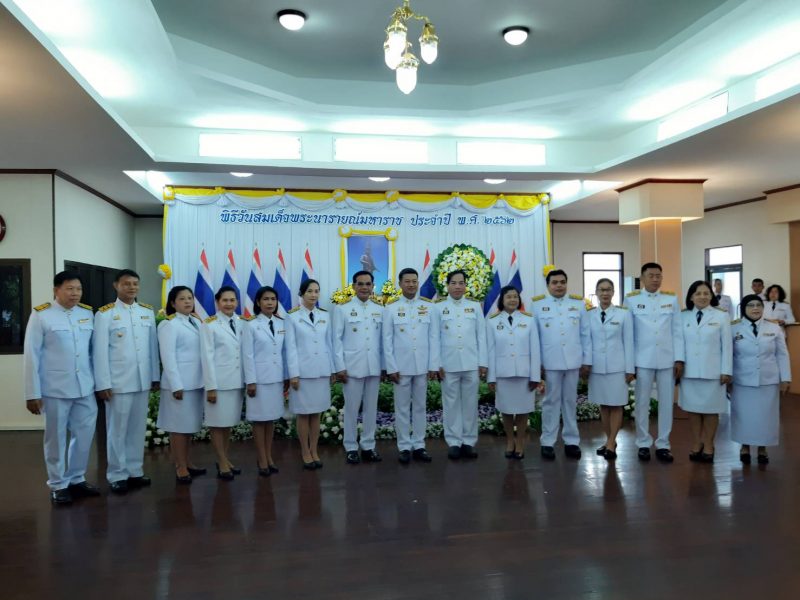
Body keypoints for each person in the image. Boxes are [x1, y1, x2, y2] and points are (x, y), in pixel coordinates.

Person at [23, 271, 100, 505]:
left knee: (84, 436)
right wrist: (32, 393)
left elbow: (92, 353)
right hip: (55, 388)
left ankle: (76, 479)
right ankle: (58, 484)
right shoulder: (42, 315)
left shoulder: (87, 313)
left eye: (78, 289)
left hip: (85, 387)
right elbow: (32, 355)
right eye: (69, 288)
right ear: (56, 290)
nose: (75, 293)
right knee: (55, 438)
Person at [93, 269, 159, 495]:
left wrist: (154, 376)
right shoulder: (105, 314)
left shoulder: (146, 312)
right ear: (116, 286)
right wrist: (103, 383)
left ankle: (134, 471)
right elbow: (99, 352)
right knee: (117, 430)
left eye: (135, 284)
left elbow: (152, 348)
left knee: (137, 429)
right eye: (126, 284)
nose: (132, 287)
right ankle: (117, 474)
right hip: (118, 382)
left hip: (142, 380)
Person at [624, 263, 684, 463]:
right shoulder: (631, 299)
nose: (655, 279)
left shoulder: (671, 299)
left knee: (666, 403)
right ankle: (643, 443)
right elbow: (628, 334)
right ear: (642, 278)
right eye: (651, 276)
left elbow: (677, 331)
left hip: (667, 359)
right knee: (642, 403)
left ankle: (663, 444)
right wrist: (629, 364)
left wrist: (679, 359)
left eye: (658, 276)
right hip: (642, 359)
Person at [531, 269, 591, 460]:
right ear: (548, 285)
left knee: (570, 401)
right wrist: (537, 363)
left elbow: (585, 334)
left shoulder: (578, 304)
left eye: (562, 282)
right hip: (549, 362)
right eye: (555, 282)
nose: (559, 285)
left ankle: (572, 441)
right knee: (550, 402)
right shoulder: (538, 305)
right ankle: (547, 442)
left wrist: (586, 360)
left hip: (573, 361)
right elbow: (534, 338)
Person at [383, 268, 438, 464]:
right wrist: (391, 367)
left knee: (421, 407)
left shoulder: (429, 307)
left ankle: (419, 445)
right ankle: (404, 446)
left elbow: (434, 338)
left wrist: (433, 365)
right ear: (400, 284)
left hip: (422, 366)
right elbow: (387, 340)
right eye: (407, 281)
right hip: (401, 367)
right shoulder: (390, 308)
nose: (411, 284)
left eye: (414, 281)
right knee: (402, 408)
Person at [730, 295, 791, 465]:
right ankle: (745, 447)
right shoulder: (733, 328)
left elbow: (782, 354)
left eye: (758, 305)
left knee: (766, 416)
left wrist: (785, 378)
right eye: (751, 305)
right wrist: (728, 377)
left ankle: (763, 448)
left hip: (768, 379)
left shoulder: (774, 327)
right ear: (743, 308)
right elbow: (728, 355)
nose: (755, 308)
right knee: (744, 415)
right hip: (742, 380)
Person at [434, 270, 487, 460]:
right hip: (448, 364)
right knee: (451, 404)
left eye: (461, 283)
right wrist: (437, 363)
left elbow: (481, 336)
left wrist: (483, 362)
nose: (457, 286)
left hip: (471, 363)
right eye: (454, 283)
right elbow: (435, 337)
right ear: (447, 286)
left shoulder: (474, 306)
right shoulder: (438, 307)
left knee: (470, 404)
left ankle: (469, 442)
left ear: (466, 285)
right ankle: (454, 442)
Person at [333, 271, 384, 465]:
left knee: (371, 409)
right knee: (352, 409)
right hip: (352, 367)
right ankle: (351, 447)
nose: (364, 287)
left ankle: (368, 446)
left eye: (368, 284)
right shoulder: (342, 309)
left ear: (372, 286)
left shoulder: (379, 309)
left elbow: (383, 341)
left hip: (374, 366)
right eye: (360, 284)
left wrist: (384, 367)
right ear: (353, 286)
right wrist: (340, 367)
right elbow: (336, 340)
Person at [678, 280, 732, 463]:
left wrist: (726, 370)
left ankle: (709, 444)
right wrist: (678, 364)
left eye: (706, 293)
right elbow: (679, 342)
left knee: (711, 410)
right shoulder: (682, 316)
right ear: (691, 297)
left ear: (711, 296)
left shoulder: (721, 316)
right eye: (698, 293)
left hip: (713, 372)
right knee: (693, 410)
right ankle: (696, 442)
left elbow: (727, 346)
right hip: (689, 371)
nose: (702, 297)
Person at [157, 286, 206, 484]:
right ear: (172, 303)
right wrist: (176, 385)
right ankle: (180, 466)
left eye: (190, 298)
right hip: (179, 385)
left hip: (196, 382)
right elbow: (167, 357)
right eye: (182, 299)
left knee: (189, 426)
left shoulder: (196, 321)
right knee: (178, 427)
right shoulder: (169, 324)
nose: (187, 302)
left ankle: (188, 462)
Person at [285, 279, 334, 470]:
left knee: (317, 413)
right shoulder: (292, 316)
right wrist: (293, 374)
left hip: (321, 371)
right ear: (302, 294)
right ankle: (305, 451)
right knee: (304, 414)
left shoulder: (325, 315)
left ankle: (314, 450)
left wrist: (332, 369)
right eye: (309, 291)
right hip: (302, 374)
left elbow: (329, 344)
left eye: (316, 291)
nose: (314, 295)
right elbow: (290, 348)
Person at [487, 285, 541, 459]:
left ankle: (520, 443)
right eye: (509, 297)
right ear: (502, 300)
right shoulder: (492, 321)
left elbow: (535, 350)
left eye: (515, 296)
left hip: (524, 374)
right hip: (503, 374)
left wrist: (535, 376)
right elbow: (490, 351)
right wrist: (491, 378)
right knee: (506, 410)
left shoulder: (529, 320)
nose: (512, 300)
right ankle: (510, 441)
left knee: (523, 410)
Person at [242, 286, 288, 477]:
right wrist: (251, 381)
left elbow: (284, 352)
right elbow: (247, 355)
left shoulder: (281, 323)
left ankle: (269, 457)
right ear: (258, 302)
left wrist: (286, 376)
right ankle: (261, 458)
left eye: (273, 299)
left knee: (271, 420)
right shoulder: (251, 325)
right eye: (266, 299)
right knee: (259, 421)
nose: (270, 302)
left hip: (276, 378)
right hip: (259, 380)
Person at [587, 278, 634, 461]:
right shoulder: (589, 315)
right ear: (597, 292)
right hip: (597, 367)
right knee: (604, 405)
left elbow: (629, 342)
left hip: (617, 367)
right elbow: (586, 342)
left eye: (608, 290)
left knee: (616, 405)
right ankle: (609, 441)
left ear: (613, 292)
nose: (605, 293)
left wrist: (630, 368)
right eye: (601, 290)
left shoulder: (623, 314)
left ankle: (612, 441)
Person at [200, 286, 245, 480]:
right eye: (225, 300)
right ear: (217, 302)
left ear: (237, 302)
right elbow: (207, 357)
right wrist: (211, 386)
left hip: (237, 381)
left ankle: (224, 459)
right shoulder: (209, 324)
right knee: (217, 424)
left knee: (228, 423)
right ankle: (222, 461)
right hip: (218, 383)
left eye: (232, 300)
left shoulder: (242, 322)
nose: (229, 304)